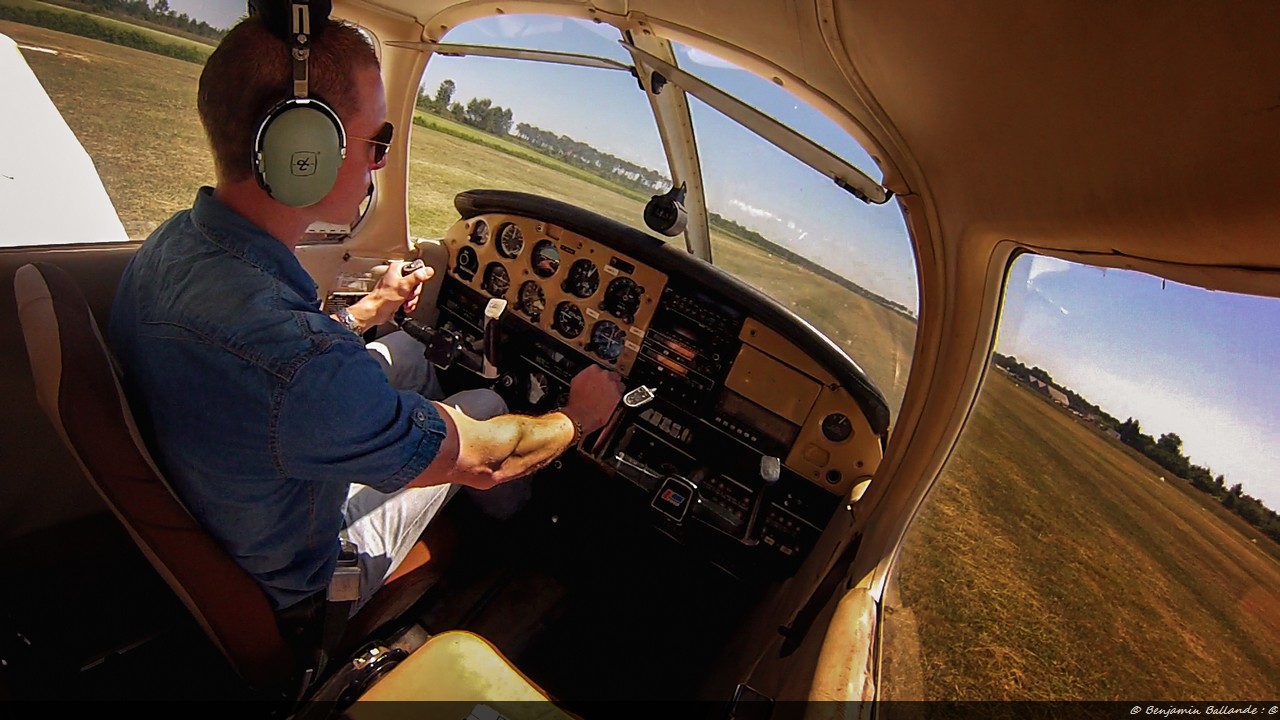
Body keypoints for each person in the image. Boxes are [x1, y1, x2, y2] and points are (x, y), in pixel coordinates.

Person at [106, 9, 623, 632]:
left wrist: (369, 312)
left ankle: (409, 436)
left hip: (235, 495)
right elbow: (489, 461)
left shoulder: (176, 243)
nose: (380, 163)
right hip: (303, 586)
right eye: (376, 143)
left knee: (404, 349)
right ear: (305, 152)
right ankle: (516, 546)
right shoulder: (303, 369)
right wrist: (580, 416)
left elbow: (270, 369)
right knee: (484, 404)